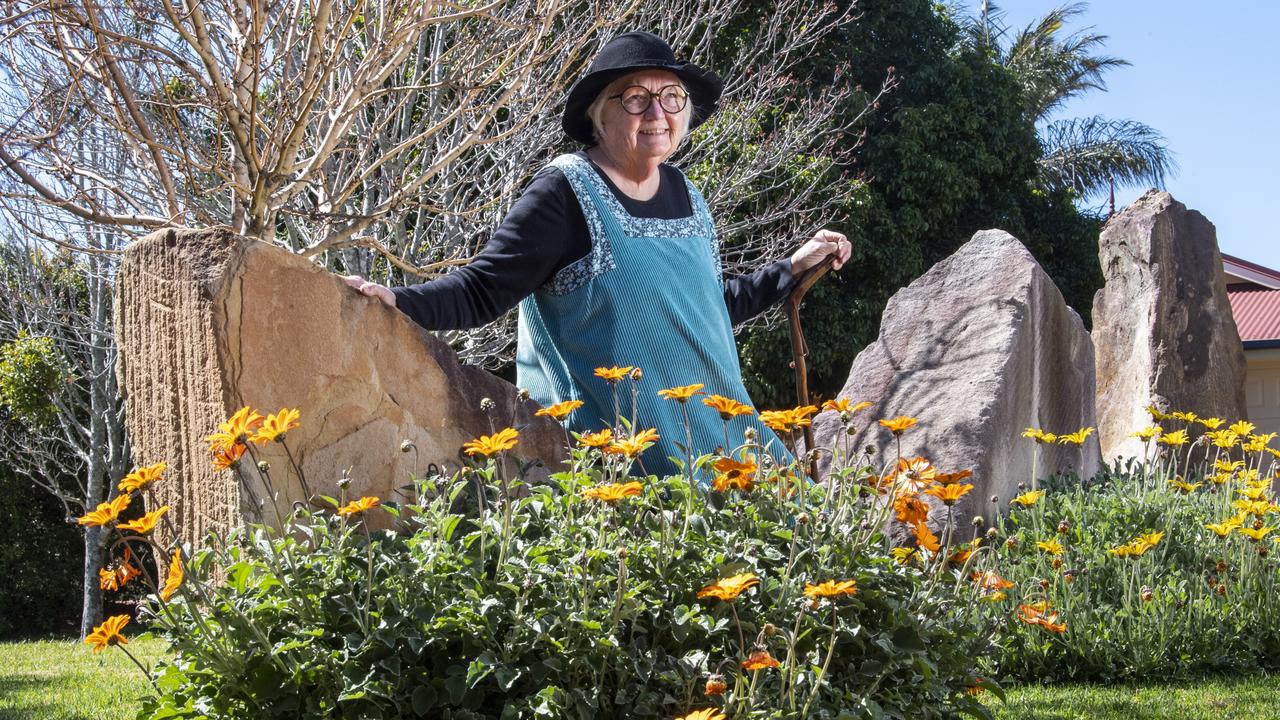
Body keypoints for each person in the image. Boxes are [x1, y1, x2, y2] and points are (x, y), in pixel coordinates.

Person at [343, 31, 850, 478]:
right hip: (624, 468)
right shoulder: (565, 193)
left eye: (671, 97)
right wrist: (397, 300)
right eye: (635, 99)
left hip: (730, 447)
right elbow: (483, 288)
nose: (657, 113)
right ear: (598, 114)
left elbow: (704, 313)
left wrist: (790, 269)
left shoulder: (687, 194)